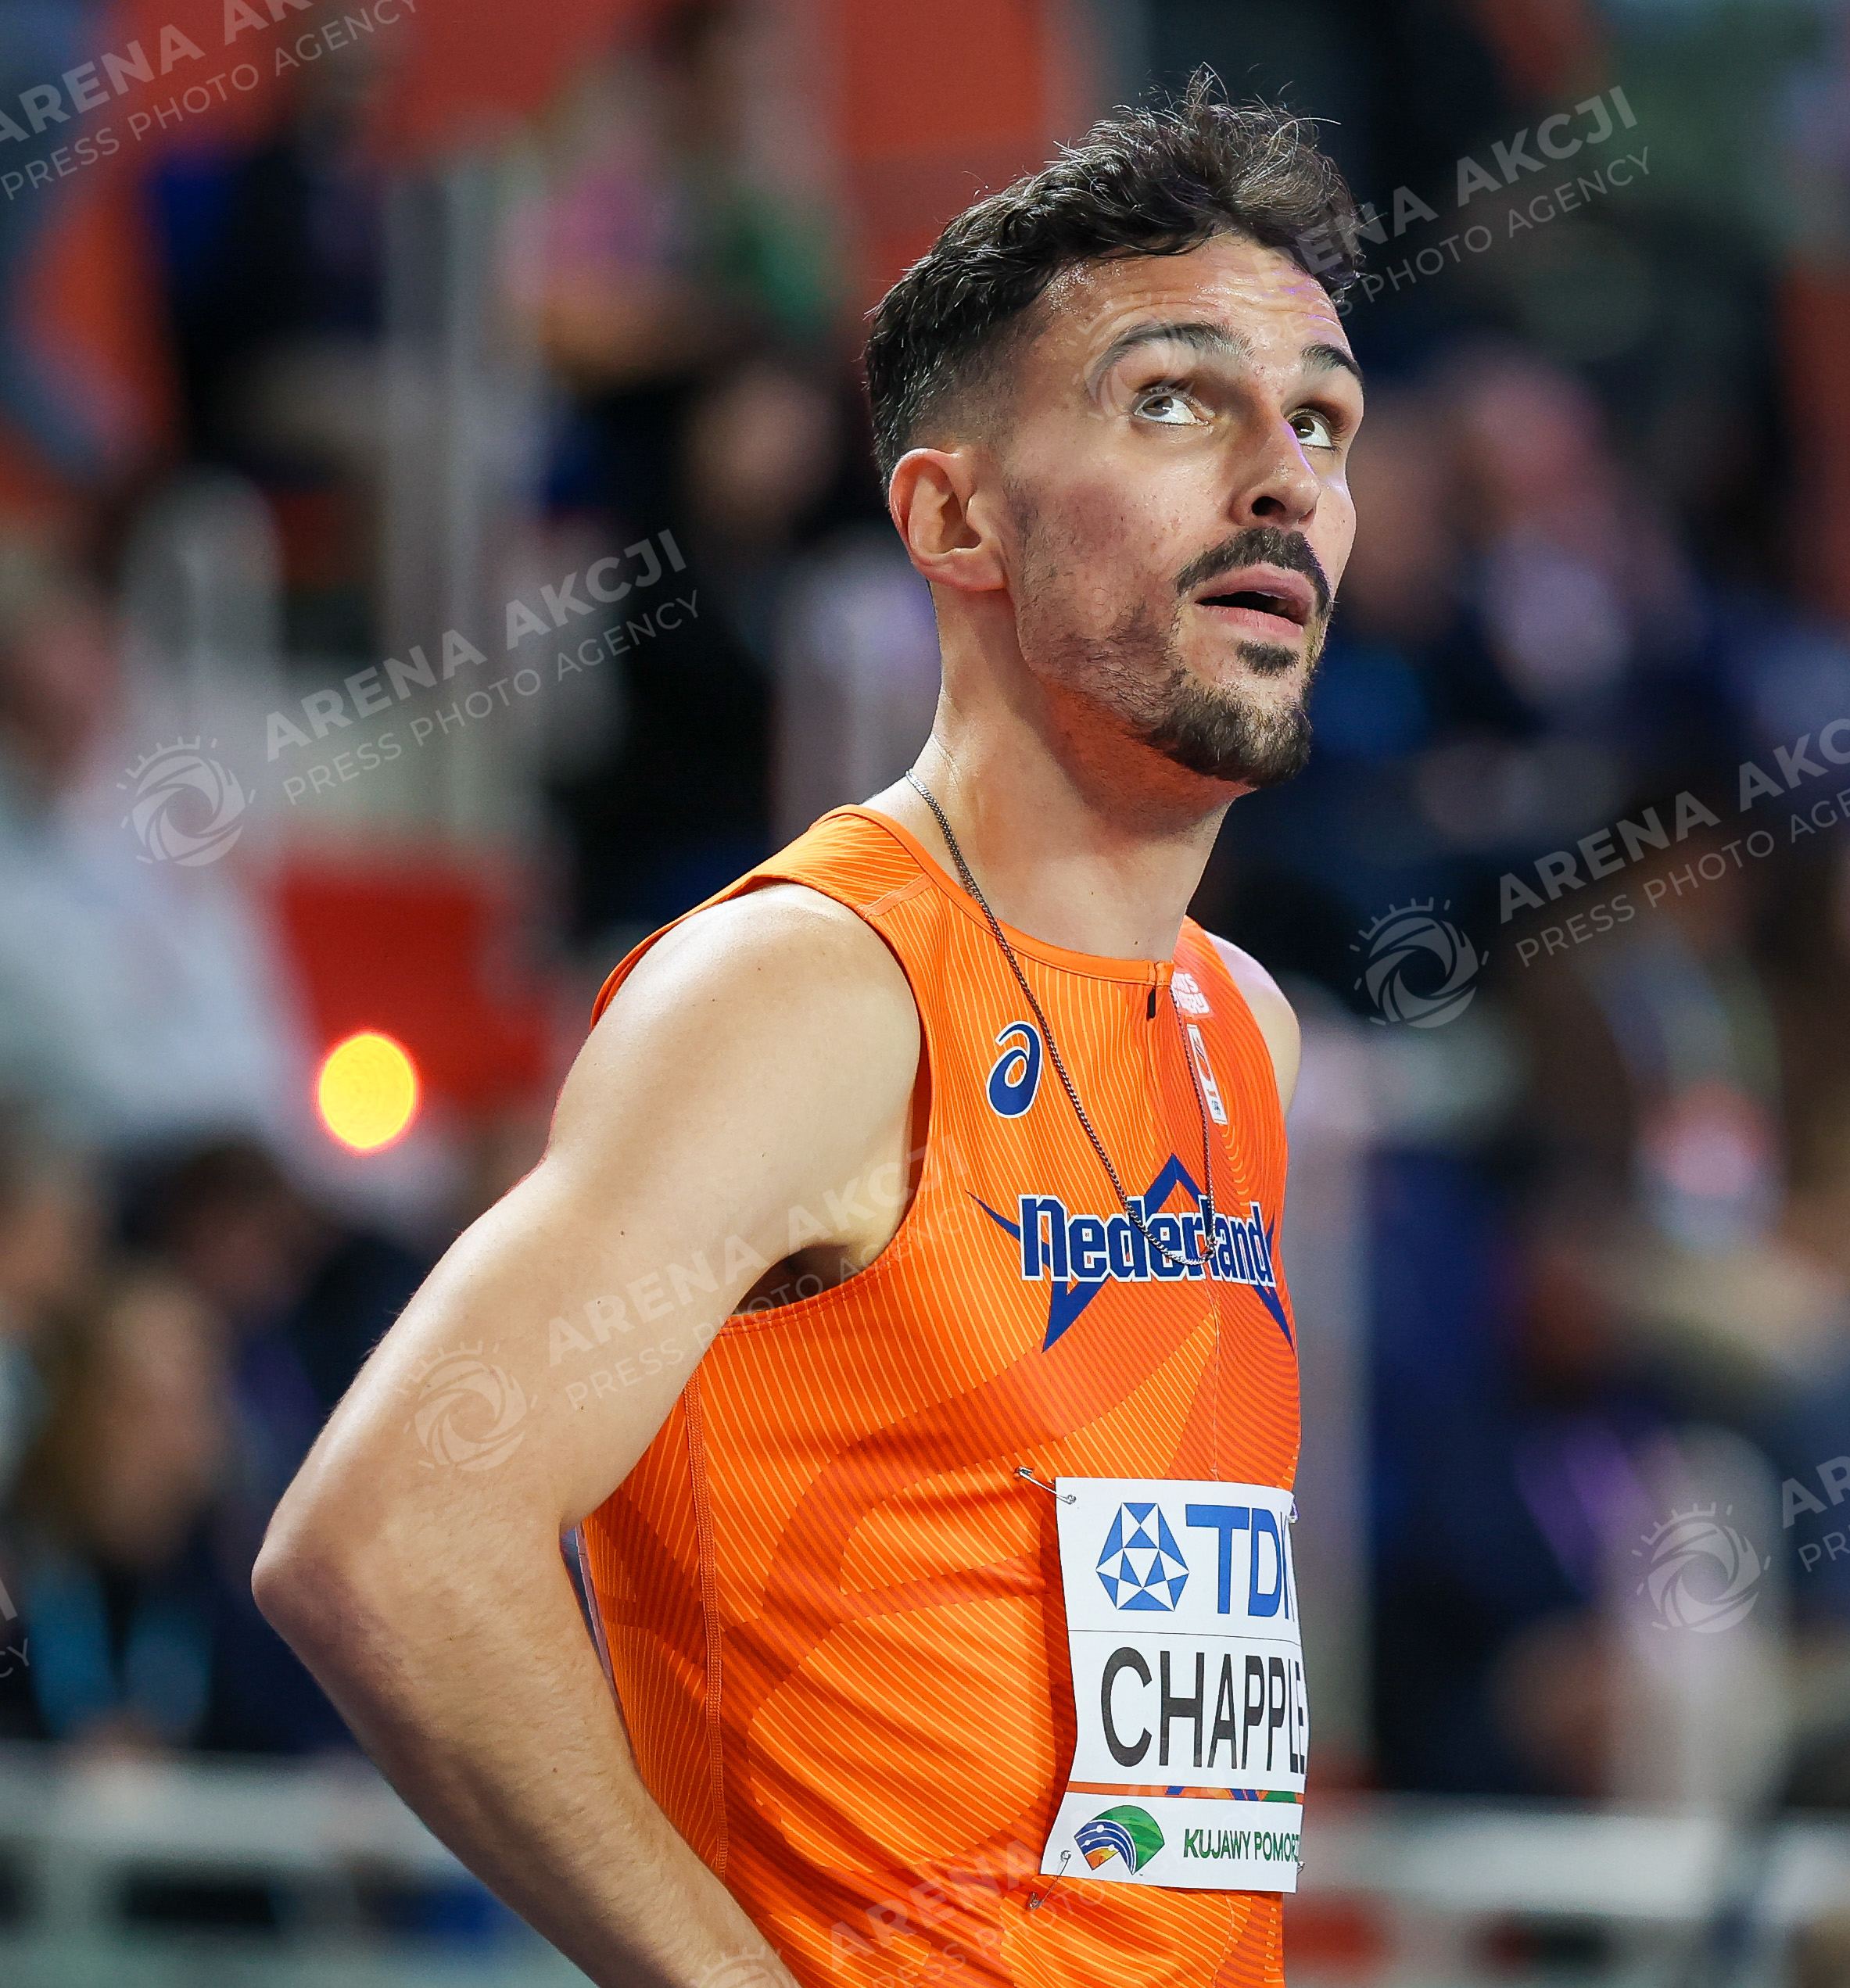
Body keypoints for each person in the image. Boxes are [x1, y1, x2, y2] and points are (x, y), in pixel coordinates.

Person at [255, 76, 1361, 1987]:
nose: (1284, 478)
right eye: (1176, 402)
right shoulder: (811, 989)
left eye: (1324, 420)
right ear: (953, 517)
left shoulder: (1235, 1026)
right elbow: (388, 1543)